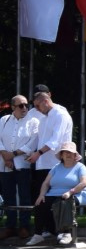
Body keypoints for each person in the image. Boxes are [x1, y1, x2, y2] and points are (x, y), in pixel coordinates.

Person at [32, 141, 86, 246]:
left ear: (75, 155)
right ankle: (38, 234)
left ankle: (67, 233)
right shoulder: (56, 167)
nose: (68, 154)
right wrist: (41, 195)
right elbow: (46, 183)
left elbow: (85, 182)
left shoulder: (80, 167)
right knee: (40, 203)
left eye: (71, 152)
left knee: (64, 202)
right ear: (61, 155)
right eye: (65, 152)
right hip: (53, 194)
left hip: (76, 193)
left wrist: (71, 192)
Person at [0, 93, 39, 239]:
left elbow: (33, 143)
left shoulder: (33, 121)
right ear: (13, 107)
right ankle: (10, 226)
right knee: (8, 195)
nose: (24, 108)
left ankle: (24, 226)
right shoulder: (4, 120)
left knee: (24, 196)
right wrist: (5, 155)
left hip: (23, 164)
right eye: (21, 105)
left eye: (26, 105)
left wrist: (13, 154)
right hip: (4, 163)